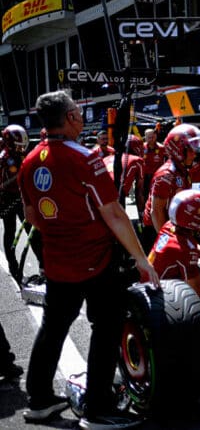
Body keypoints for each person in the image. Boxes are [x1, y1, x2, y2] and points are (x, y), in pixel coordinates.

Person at [18, 90, 158, 428]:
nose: (81, 118)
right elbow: (114, 214)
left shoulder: (29, 160)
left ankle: (39, 400)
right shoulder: (85, 157)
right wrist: (142, 259)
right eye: (77, 113)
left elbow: (32, 216)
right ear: (69, 119)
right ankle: (99, 409)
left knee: (54, 327)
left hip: (56, 260)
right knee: (107, 326)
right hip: (95, 260)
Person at [141, 124, 200, 252]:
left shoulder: (183, 170)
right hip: (156, 229)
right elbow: (156, 212)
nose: (194, 154)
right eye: (191, 150)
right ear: (178, 150)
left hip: (172, 226)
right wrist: (167, 240)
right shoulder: (166, 175)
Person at [0, 125, 36, 282]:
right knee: (10, 232)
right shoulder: (3, 158)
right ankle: (14, 268)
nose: (22, 150)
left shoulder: (19, 154)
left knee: (33, 232)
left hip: (21, 198)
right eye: (19, 146)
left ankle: (43, 266)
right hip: (7, 200)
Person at [103, 134, 146, 215]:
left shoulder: (106, 158)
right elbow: (139, 190)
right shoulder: (137, 160)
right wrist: (141, 213)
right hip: (116, 192)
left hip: (98, 193)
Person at [142, 128, 165, 193]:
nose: (152, 139)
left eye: (153, 137)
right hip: (144, 176)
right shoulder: (141, 147)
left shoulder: (161, 148)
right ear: (145, 137)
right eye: (149, 137)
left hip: (157, 176)